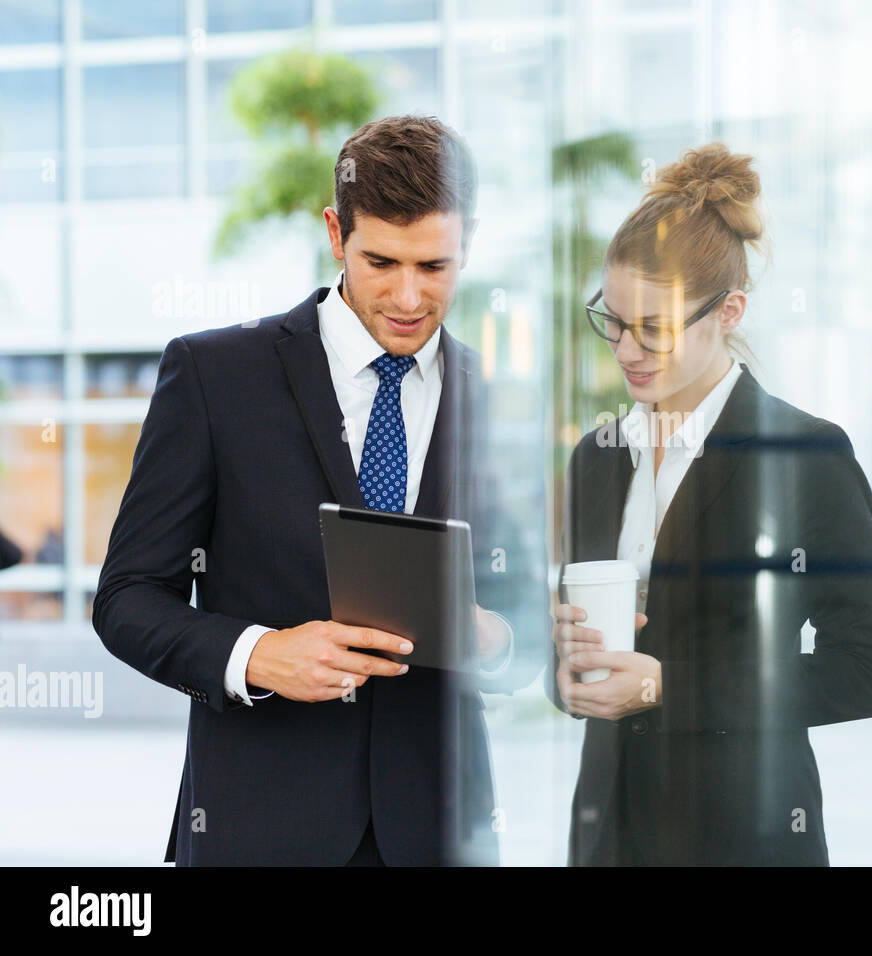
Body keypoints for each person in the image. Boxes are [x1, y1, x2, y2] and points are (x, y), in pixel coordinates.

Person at [93, 115, 545, 866]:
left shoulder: (483, 389)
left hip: (439, 835)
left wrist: (492, 636)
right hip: (259, 829)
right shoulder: (215, 377)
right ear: (337, 233)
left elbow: (523, 610)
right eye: (382, 262)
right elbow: (128, 597)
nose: (408, 297)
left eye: (435, 267)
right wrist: (257, 654)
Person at [546, 143, 872, 866]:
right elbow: (580, 655)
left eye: (658, 327)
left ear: (729, 310)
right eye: (612, 320)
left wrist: (668, 686)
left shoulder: (805, 456)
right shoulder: (596, 458)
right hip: (609, 835)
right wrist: (567, 675)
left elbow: (863, 670)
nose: (628, 349)